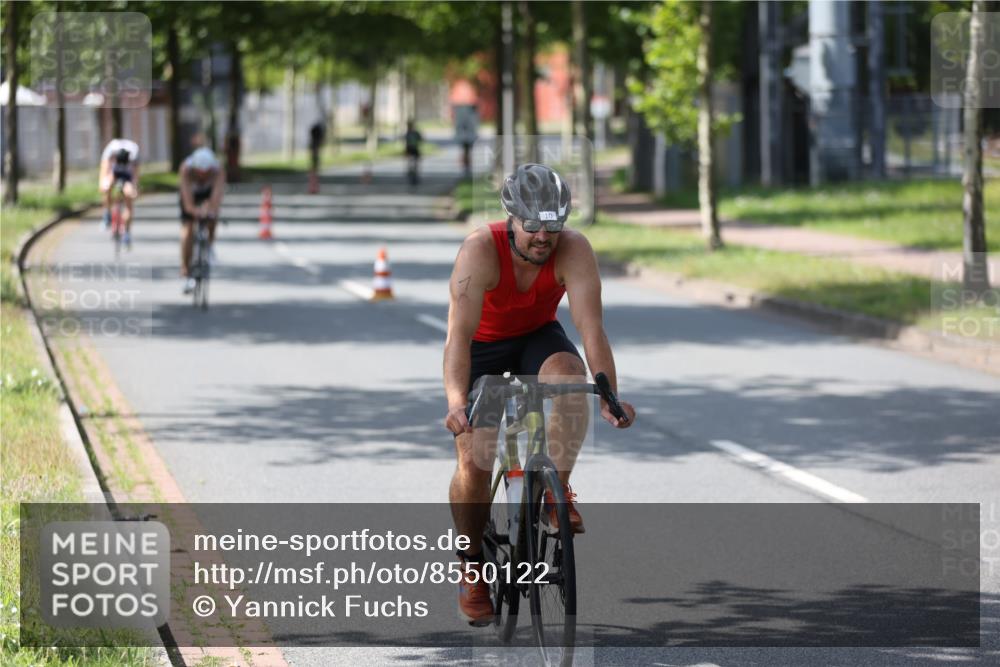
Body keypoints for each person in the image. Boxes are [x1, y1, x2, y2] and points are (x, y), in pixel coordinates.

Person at [442, 163, 636, 625]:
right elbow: (458, 336)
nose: (543, 237)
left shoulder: (574, 250)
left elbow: (591, 329)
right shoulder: (479, 251)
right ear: (511, 218)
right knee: (475, 458)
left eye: (553, 224)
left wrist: (608, 392)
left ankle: (555, 492)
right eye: (532, 226)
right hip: (483, 348)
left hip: (537, 338)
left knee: (571, 376)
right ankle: (472, 568)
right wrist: (455, 402)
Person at [178, 146, 225, 294]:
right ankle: (186, 269)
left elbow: (216, 198)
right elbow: (187, 203)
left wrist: (209, 210)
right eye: (200, 172)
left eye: (206, 172)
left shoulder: (218, 171)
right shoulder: (186, 169)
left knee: (212, 217)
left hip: (207, 194)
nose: (203, 175)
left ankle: (209, 245)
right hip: (191, 195)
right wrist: (194, 211)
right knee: (188, 230)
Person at [98, 138, 141, 246]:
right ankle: (107, 213)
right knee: (106, 186)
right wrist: (104, 186)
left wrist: (133, 190)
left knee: (129, 196)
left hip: (127, 175)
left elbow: (135, 177)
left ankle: (126, 232)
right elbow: (104, 172)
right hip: (113, 172)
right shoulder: (110, 151)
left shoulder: (134, 153)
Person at [403, 120, 422, 186]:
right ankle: (412, 172)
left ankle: (412, 172)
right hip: (412, 149)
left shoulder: (410, 133)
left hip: (412, 149)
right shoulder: (412, 133)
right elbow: (421, 140)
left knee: (413, 163)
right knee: (412, 163)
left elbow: (420, 140)